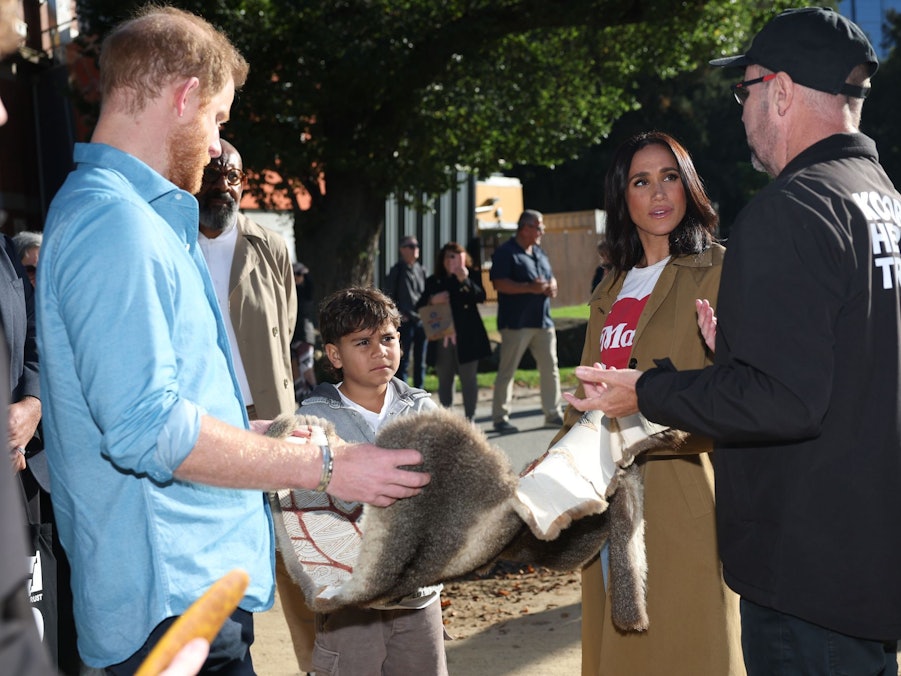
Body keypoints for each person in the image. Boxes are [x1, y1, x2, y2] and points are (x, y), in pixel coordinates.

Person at [35, 7, 428, 672]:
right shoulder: (117, 225)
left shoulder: (138, 217)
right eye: (217, 117)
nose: (218, 143)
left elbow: (167, 401)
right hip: (172, 604)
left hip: (190, 593)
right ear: (184, 96)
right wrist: (328, 468)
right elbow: (145, 428)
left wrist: (271, 434)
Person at [566, 8, 901, 675]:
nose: (741, 108)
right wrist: (745, 356)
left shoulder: (791, 208)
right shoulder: (878, 196)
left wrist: (648, 391)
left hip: (807, 576)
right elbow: (848, 359)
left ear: (777, 91)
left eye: (744, 89)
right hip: (862, 558)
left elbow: (784, 401)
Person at [562, 131, 742, 675]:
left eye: (670, 177)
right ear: (624, 196)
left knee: (689, 653)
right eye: (642, 181)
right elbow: (584, 401)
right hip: (607, 507)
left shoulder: (719, 269)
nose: (659, 192)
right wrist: (554, 465)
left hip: (684, 499)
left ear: (688, 187)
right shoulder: (609, 286)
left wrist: (637, 420)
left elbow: (737, 396)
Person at [195, 139, 317, 674]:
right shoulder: (169, 241)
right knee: (217, 550)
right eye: (213, 171)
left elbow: (284, 325)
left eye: (233, 174)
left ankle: (317, 660)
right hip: (203, 423)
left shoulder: (269, 245)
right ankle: (227, 657)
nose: (223, 182)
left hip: (267, 417)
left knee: (294, 556)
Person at [298, 287, 448, 676]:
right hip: (350, 606)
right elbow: (300, 506)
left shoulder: (423, 408)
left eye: (388, 338)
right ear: (334, 355)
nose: (379, 351)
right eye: (362, 342)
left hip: (417, 597)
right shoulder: (313, 420)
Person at [490, 209, 564, 434]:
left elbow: (550, 277)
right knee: (507, 371)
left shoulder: (540, 252)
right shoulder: (506, 252)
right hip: (516, 323)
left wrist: (552, 285)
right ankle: (500, 418)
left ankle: (553, 414)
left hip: (543, 321)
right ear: (525, 228)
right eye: (538, 227)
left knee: (550, 368)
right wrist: (529, 288)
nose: (542, 231)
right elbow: (499, 284)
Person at [416, 241, 491, 421]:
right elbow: (420, 305)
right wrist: (433, 299)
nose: (451, 261)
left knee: (469, 380)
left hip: (468, 337)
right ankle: (447, 419)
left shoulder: (470, 275)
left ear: (463, 258)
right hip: (442, 337)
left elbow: (481, 297)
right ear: (441, 260)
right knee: (445, 379)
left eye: (455, 257)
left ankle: (470, 418)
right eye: (447, 257)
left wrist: (464, 280)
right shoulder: (434, 281)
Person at [384, 235, 427, 389]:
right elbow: (388, 297)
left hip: (421, 321)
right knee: (403, 360)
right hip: (406, 323)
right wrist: (400, 316)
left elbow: (425, 296)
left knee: (421, 361)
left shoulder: (421, 270)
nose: (415, 249)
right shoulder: (397, 270)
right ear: (402, 249)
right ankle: (403, 394)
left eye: (417, 245)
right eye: (411, 246)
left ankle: (419, 392)